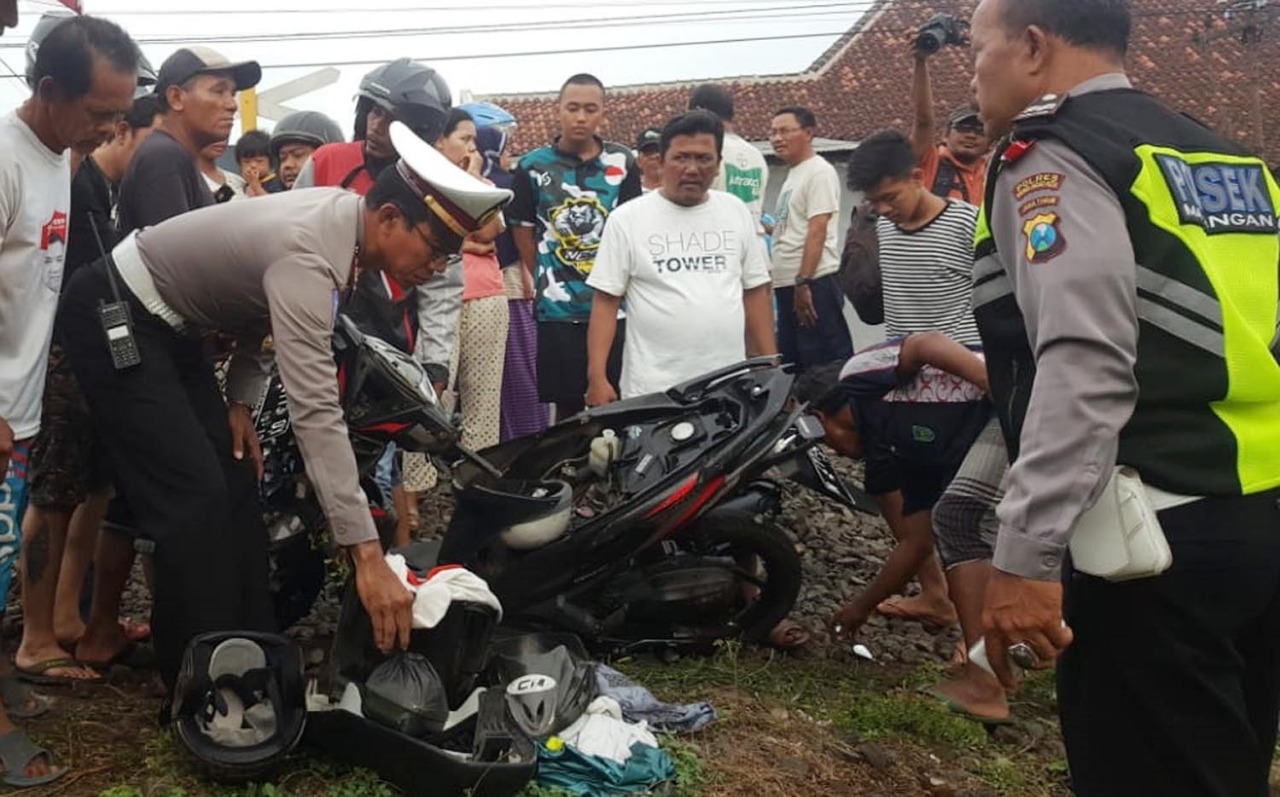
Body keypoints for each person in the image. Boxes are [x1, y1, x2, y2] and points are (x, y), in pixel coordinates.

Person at [58, 121, 512, 695]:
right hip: (116, 312)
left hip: (174, 329)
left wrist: (241, 402)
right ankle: (199, 686)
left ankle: (253, 651)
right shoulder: (313, 253)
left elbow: (256, 309)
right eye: (438, 248)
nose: (440, 266)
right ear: (391, 219)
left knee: (236, 478)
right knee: (192, 498)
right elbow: (315, 411)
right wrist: (367, 556)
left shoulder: (344, 227)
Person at [968, 1, 1280, 795]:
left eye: (978, 51)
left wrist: (1025, 550)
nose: (974, 74)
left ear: (1032, 47)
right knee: (1228, 760)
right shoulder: (1227, 158)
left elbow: (1086, 359)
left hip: (1152, 541)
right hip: (1259, 516)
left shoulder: (1054, 156)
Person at [0, 13, 140, 785]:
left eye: (118, 113)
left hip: (22, 406)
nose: (110, 127)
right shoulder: (6, 159)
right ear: (49, 90)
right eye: (98, 113)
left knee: (2, 561)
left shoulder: (60, 156)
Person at [25, 93, 162, 683]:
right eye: (155, 144)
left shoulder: (102, 193)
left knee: (94, 494)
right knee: (54, 495)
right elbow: (90, 291)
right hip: (61, 361)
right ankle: (35, 639)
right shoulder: (76, 185)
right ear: (125, 131)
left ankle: (65, 620)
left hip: (94, 366)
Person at [296, 58, 459, 542]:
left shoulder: (439, 186)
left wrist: (436, 365)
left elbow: (444, 288)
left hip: (388, 346)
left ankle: (379, 560)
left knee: (377, 464)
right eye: (371, 110)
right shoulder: (326, 161)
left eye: (391, 118)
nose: (375, 125)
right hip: (315, 330)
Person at [840, 128, 985, 633]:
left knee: (966, 516)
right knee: (910, 502)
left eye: (890, 197)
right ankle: (938, 600)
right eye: (873, 202)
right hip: (908, 387)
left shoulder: (970, 224)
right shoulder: (883, 231)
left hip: (966, 386)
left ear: (919, 178)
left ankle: (978, 638)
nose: (882, 209)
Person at [584, 110, 775, 404]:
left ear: (718, 165)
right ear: (661, 161)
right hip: (654, 389)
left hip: (729, 385)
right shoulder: (627, 219)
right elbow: (606, 302)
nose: (692, 169)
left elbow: (755, 291)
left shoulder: (735, 211)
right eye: (681, 158)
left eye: (703, 159)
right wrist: (597, 377)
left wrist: (769, 364)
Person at [510, 74, 640, 421]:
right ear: (559, 111)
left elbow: (632, 226)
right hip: (558, 308)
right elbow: (522, 230)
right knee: (567, 405)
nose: (580, 117)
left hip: (614, 307)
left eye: (590, 109)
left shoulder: (623, 163)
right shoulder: (531, 167)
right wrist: (544, 276)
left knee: (613, 402)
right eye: (572, 108)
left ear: (603, 115)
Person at [117, 47, 260, 234]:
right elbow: (172, 258)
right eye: (219, 91)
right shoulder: (164, 157)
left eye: (232, 94)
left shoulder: (176, 156)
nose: (232, 105)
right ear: (176, 97)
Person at [435, 109, 509, 453]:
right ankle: (418, 494)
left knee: (483, 400)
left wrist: (474, 180)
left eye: (474, 142)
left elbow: (488, 231)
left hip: (485, 297)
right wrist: (467, 243)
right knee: (435, 397)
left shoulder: (485, 186)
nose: (472, 149)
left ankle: (478, 482)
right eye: (464, 139)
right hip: (436, 303)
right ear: (440, 141)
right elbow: (434, 241)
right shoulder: (425, 184)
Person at [768, 106, 852, 370]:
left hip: (813, 282)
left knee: (825, 367)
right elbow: (791, 229)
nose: (776, 138)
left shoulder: (819, 172)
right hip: (787, 283)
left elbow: (818, 229)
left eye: (784, 131)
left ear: (808, 133)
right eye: (773, 132)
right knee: (795, 367)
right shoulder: (794, 174)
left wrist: (803, 282)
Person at [910, 42, 991, 204]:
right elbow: (923, 121)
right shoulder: (930, 161)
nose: (971, 135)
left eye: (979, 130)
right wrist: (920, 61)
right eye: (963, 128)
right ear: (945, 136)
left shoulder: (993, 171)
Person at [688, 84, 769, 232]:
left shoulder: (704, 152)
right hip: (755, 242)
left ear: (699, 112)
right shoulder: (756, 155)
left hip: (718, 241)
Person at [269, 110, 342, 190]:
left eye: (298, 155)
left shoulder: (352, 200)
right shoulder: (270, 199)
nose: (288, 165)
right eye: (283, 158)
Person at [234, 129, 284, 195]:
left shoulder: (276, 183)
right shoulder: (242, 184)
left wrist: (256, 186)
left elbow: (273, 203)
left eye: (259, 161)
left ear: (271, 162)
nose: (253, 165)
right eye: (247, 162)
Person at [635, 127, 661, 193]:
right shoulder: (630, 195)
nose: (655, 156)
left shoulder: (682, 193)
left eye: (660, 151)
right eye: (649, 152)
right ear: (639, 162)